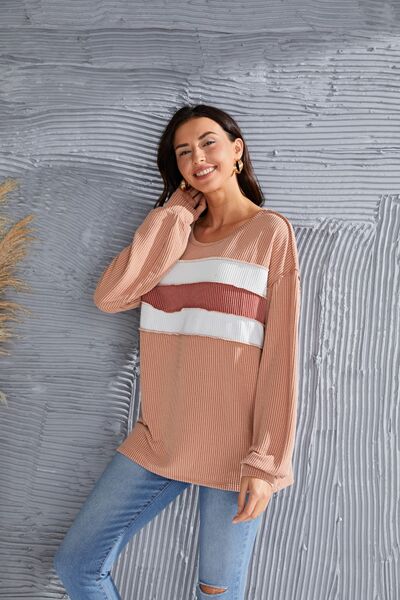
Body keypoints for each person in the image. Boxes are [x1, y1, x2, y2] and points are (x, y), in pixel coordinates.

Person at [53, 104, 301, 599]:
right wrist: (175, 216)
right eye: (183, 152)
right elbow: (111, 297)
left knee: (216, 593)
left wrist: (266, 464)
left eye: (208, 143)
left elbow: (282, 357)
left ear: (236, 150)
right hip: (159, 438)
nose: (197, 158)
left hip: (235, 453)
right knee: (78, 565)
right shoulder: (173, 235)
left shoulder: (269, 233)